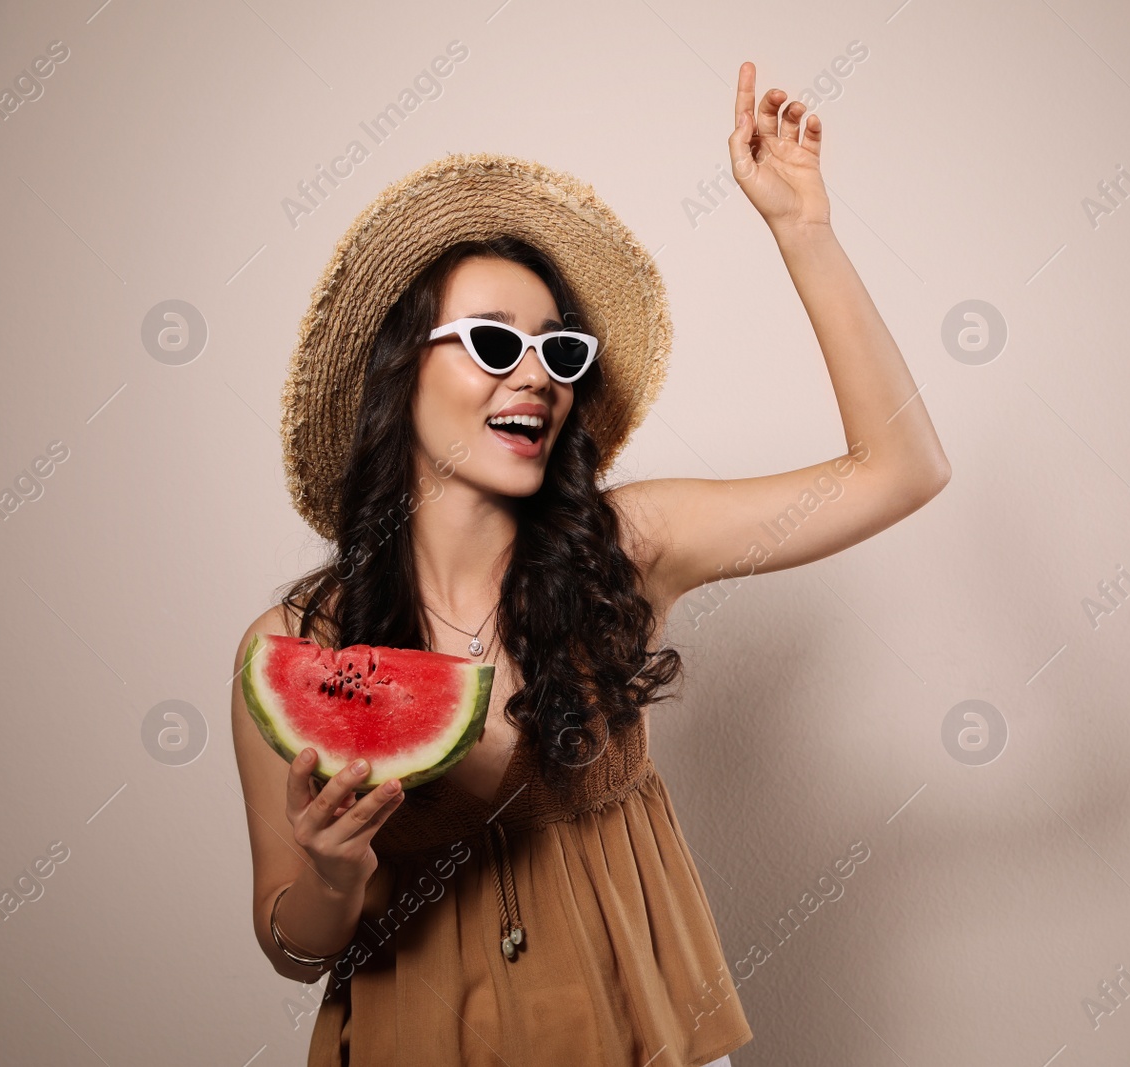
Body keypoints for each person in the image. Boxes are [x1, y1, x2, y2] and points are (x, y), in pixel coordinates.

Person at [231, 61, 951, 1066]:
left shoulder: (628, 546)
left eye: (559, 351)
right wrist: (329, 873)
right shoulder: (299, 642)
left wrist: (805, 233)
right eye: (491, 341)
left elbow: (901, 469)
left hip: (638, 1035)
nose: (535, 372)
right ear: (400, 370)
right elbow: (292, 944)